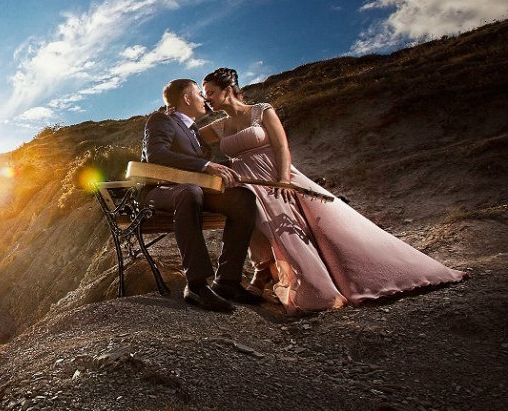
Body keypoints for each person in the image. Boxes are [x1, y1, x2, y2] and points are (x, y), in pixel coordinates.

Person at [198, 67, 466, 315]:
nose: (207, 98)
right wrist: (204, 160)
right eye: (204, 94)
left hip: (274, 176)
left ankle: (312, 278)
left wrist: (282, 179)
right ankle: (264, 272)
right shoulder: (219, 127)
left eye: (210, 92)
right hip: (246, 182)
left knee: (296, 228)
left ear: (228, 89)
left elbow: (281, 146)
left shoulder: (261, 111)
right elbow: (188, 139)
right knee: (255, 224)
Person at [141, 79, 263, 312]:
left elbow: (202, 165)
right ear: (186, 98)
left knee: (242, 198)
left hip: (194, 191)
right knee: (190, 191)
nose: (204, 98)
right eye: (199, 93)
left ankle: (227, 281)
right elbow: (156, 155)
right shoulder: (162, 120)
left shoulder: (194, 131)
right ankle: (196, 285)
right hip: (159, 191)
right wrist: (206, 164)